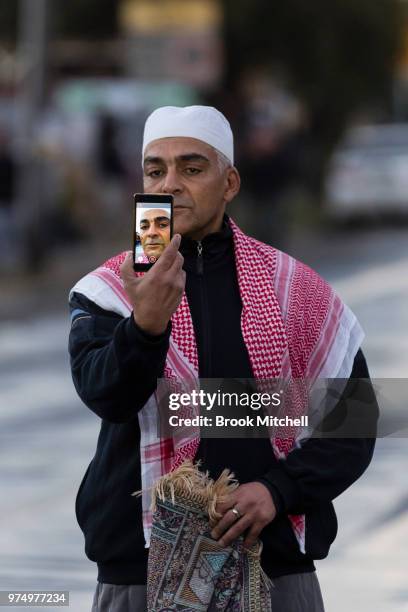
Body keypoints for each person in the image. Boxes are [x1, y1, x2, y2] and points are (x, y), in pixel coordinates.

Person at [68, 106, 378, 611]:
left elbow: (354, 424)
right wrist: (144, 326)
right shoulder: (108, 291)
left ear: (229, 181)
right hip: (140, 571)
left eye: (192, 169)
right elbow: (107, 396)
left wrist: (278, 491)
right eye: (155, 170)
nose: (170, 184)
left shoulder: (292, 288)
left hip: (274, 564)